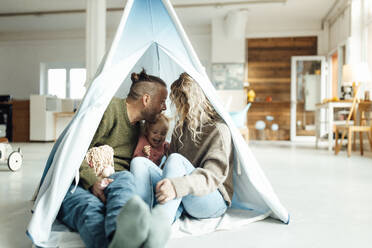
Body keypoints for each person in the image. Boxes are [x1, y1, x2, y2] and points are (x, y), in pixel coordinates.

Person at [57, 69, 170, 248]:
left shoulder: (142, 129)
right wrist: (93, 181)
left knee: (125, 182)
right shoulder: (107, 110)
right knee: (89, 208)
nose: (164, 107)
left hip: (115, 179)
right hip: (77, 180)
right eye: (162, 102)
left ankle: (121, 237)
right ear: (146, 99)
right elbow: (71, 151)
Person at [130, 72, 234, 224]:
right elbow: (168, 168)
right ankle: (141, 216)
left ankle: (159, 225)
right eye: (178, 102)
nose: (180, 107)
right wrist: (164, 184)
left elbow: (213, 178)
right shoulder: (180, 129)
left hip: (212, 198)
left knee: (176, 159)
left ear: (197, 100)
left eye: (184, 102)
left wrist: (177, 186)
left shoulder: (218, 129)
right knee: (138, 163)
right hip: (182, 193)